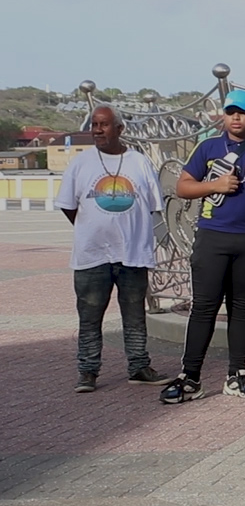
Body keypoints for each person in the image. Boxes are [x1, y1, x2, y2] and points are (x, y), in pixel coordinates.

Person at [161, 90, 245, 404]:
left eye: (242, 112)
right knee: (204, 307)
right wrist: (214, 185)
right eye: (230, 112)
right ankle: (190, 376)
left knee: (242, 307)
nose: (236, 117)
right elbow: (182, 186)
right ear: (223, 115)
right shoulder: (209, 148)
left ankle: (238, 374)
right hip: (213, 237)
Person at [54, 105, 167, 392]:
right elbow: (68, 206)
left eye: (103, 124)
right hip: (92, 256)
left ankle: (139, 367)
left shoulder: (139, 163)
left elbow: (156, 207)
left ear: (119, 129)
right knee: (90, 317)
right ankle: (88, 372)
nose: (97, 130)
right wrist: (94, 227)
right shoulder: (80, 163)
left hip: (132, 255)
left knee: (134, 315)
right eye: (93, 124)